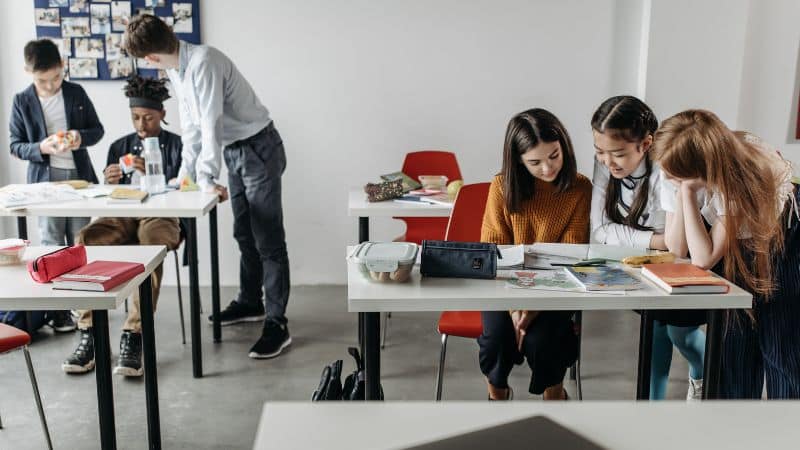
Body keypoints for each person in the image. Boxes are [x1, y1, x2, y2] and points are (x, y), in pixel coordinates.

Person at [123, 15, 291, 359]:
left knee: (267, 239)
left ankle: (277, 324)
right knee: (244, 232)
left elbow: (211, 122)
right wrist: (186, 178)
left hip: (258, 147)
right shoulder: (177, 68)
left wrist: (206, 177)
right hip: (235, 150)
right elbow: (193, 128)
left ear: (150, 57)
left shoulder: (204, 62)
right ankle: (250, 302)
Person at [653, 109, 800, 399]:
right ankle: (732, 429)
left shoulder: (744, 175)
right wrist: (684, 190)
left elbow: (703, 258)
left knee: (781, 345)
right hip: (738, 246)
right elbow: (677, 247)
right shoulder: (675, 165)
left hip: (784, 237)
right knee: (733, 344)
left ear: (701, 171)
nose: (667, 177)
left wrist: (685, 193)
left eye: (677, 176)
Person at [62, 76, 182, 376]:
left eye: (148, 118)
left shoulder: (178, 145)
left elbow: (186, 188)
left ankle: (134, 334)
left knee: (150, 249)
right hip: (123, 212)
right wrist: (110, 180)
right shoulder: (120, 145)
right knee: (87, 239)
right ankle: (89, 331)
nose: (141, 125)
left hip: (162, 215)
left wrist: (157, 173)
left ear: (162, 115)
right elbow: (106, 197)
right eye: (135, 118)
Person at [590, 95, 706, 400]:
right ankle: (652, 408)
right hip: (647, 263)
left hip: (690, 259)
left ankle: (704, 375)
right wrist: (655, 240)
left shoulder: (667, 169)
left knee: (680, 333)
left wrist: (654, 240)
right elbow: (600, 230)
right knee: (656, 333)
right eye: (599, 151)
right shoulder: (606, 165)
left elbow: (677, 245)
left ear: (645, 144)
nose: (606, 161)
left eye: (617, 153)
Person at [479, 108, 592, 400]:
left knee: (545, 342)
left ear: (563, 146)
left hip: (556, 288)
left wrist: (532, 309)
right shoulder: (501, 187)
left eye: (554, 155)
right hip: (503, 288)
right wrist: (516, 308)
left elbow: (569, 255)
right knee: (497, 342)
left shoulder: (579, 188)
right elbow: (495, 254)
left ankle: (554, 394)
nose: (547, 168)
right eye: (535, 162)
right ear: (518, 160)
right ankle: (497, 392)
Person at [9, 38, 104, 332]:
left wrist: (79, 137)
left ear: (63, 67)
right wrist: (42, 147)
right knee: (51, 245)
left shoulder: (76, 92)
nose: (50, 86)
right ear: (28, 71)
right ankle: (59, 311)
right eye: (43, 80)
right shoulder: (22, 100)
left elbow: (97, 130)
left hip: (78, 180)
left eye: (56, 78)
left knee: (79, 242)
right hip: (44, 183)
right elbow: (16, 145)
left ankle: (82, 308)